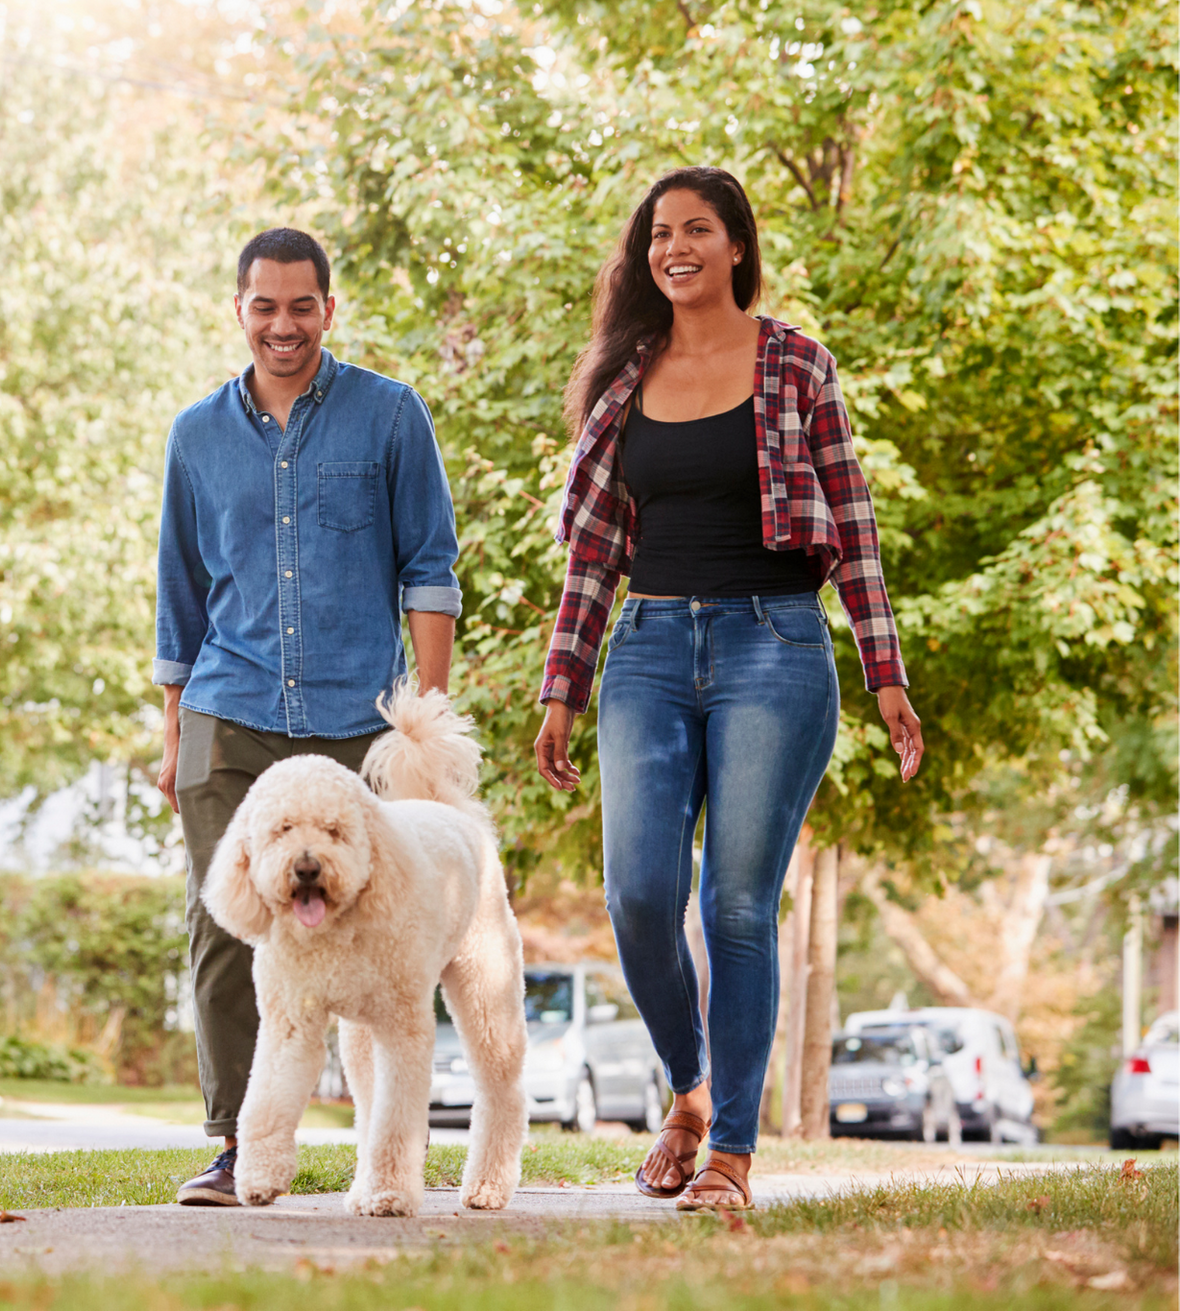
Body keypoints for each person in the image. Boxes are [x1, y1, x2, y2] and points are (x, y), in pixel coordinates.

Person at [532, 167, 924, 1212]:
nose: (675, 248)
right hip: (649, 650)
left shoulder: (798, 364)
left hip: (774, 649)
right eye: (660, 233)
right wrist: (561, 684)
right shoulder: (626, 378)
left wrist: (885, 674)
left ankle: (733, 1159)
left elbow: (855, 527)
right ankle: (691, 1090)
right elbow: (593, 554)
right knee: (639, 897)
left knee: (737, 906)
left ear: (738, 246)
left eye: (697, 229)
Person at [155, 227, 463, 1206]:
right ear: (239, 310)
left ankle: (388, 1144)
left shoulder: (389, 416)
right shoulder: (195, 436)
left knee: (381, 928)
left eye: (300, 306)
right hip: (228, 707)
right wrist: (171, 737)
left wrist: (427, 719)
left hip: (356, 722)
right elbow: (179, 596)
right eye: (263, 305)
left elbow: (430, 569)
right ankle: (238, 1147)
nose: (281, 324)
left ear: (328, 310)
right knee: (225, 927)